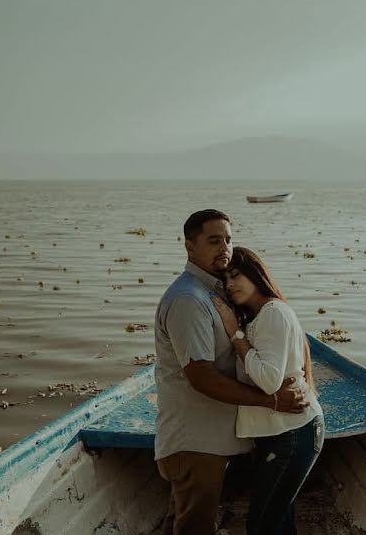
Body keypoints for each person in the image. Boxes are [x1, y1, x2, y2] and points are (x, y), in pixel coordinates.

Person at [154, 210, 308, 535]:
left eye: (227, 239)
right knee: (195, 526)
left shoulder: (219, 292)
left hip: (210, 437)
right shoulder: (189, 300)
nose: (224, 247)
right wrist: (271, 401)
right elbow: (201, 377)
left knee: (183, 521)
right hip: (195, 440)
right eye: (213, 240)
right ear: (189, 247)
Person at [212, 246, 324, 535]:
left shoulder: (273, 313)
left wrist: (234, 333)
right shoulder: (259, 317)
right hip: (280, 434)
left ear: (256, 274)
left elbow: (269, 380)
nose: (230, 284)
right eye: (225, 280)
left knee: (261, 525)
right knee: (277, 521)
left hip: (292, 434)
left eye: (236, 275)